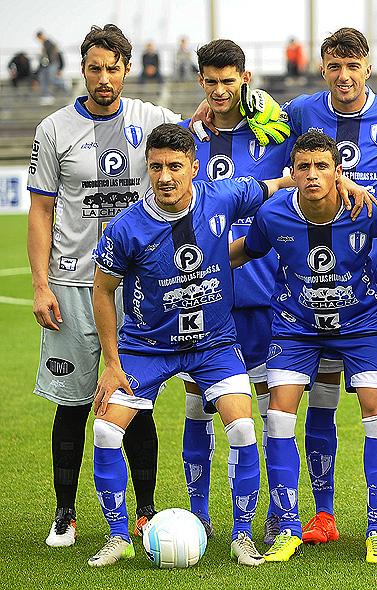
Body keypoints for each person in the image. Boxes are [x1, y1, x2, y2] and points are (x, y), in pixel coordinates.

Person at [88, 123, 292, 567]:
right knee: (105, 430)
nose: (165, 177)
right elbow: (102, 290)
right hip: (147, 346)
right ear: (147, 168)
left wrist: (343, 182)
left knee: (243, 428)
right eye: (156, 167)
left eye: (175, 167)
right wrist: (112, 363)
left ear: (194, 168)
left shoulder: (223, 195)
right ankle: (118, 535)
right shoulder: (126, 227)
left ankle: (242, 535)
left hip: (214, 344)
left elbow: (280, 183)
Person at [27, 23, 176, 550]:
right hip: (71, 284)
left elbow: (202, 131)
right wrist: (40, 285)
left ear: (127, 69)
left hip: (136, 287)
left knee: (134, 400)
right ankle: (65, 513)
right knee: (71, 404)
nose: (104, 77)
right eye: (95, 68)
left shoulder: (153, 119)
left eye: (114, 68)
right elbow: (41, 211)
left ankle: (145, 512)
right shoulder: (54, 129)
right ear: (82, 70)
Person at [230, 130, 377, 564]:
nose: (312, 175)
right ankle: (288, 527)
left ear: (338, 172)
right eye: (303, 167)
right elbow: (244, 251)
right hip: (297, 328)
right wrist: (187, 266)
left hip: (362, 324)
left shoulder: (364, 208)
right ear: (291, 172)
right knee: (278, 418)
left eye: (322, 166)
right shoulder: (273, 214)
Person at [279, 27, 377, 547]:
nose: (344, 76)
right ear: (322, 68)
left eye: (353, 66)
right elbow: (247, 115)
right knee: (321, 398)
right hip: (319, 285)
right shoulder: (299, 112)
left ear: (368, 67)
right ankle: (323, 513)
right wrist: (209, 111)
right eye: (334, 66)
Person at [177, 38, 295, 540]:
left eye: (229, 80)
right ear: (201, 81)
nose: (220, 90)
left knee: (267, 413)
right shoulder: (188, 138)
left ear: (245, 79)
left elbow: (319, 153)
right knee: (198, 406)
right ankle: (199, 515)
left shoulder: (275, 133)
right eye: (211, 81)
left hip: (264, 292)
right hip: (200, 294)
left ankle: (275, 513)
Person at [36, 31, 66, 102]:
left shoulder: (48, 43)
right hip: (48, 64)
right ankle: (47, 95)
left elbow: (55, 53)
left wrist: (59, 68)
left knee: (52, 78)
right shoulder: (45, 44)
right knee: (44, 79)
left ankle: (63, 85)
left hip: (52, 63)